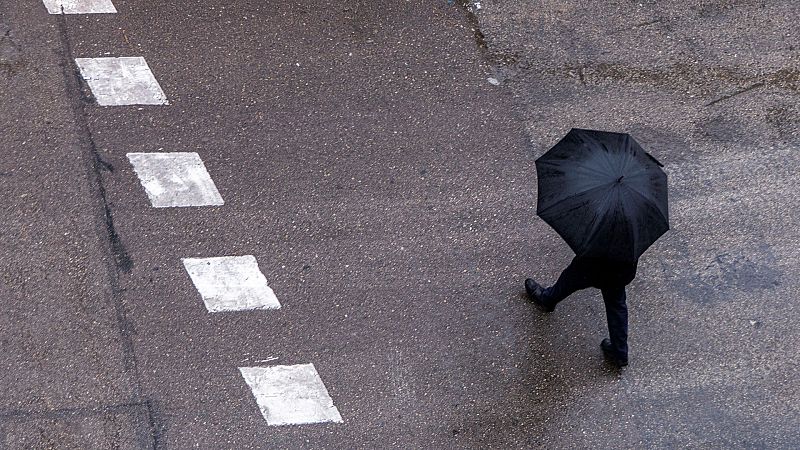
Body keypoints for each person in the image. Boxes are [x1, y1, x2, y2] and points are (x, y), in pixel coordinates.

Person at [525, 255, 638, 367]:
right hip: (624, 265)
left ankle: (548, 299)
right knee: (616, 301)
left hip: (596, 259)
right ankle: (619, 352)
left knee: (572, 276)